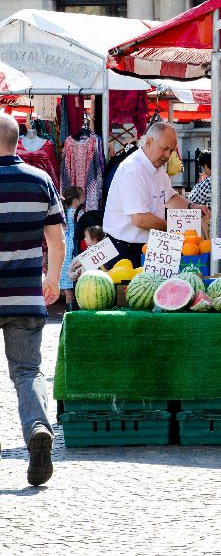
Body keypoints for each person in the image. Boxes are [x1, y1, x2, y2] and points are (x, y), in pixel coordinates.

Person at [0, 113, 63, 486]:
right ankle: (38, 427)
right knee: (27, 372)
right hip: (25, 295)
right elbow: (56, 242)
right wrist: (51, 280)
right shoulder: (41, 181)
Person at [102, 122, 206, 262]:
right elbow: (140, 218)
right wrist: (175, 228)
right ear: (149, 142)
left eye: (171, 150)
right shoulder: (133, 170)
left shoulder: (158, 169)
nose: (167, 155)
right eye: (164, 149)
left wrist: (192, 207)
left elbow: (170, 198)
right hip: (125, 250)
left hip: (149, 245)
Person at [58, 186, 84, 306]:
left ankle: (68, 311)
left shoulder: (62, 214)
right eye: (82, 198)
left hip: (64, 251)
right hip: (74, 249)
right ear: (76, 201)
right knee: (79, 284)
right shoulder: (78, 214)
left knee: (68, 289)